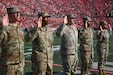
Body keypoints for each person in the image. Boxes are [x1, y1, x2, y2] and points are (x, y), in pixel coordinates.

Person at [0, 6, 25, 75]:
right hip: (8, 65)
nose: (18, 15)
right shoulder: (3, 28)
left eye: (19, 13)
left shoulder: (19, 28)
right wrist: (3, 28)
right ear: (9, 15)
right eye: (16, 13)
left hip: (20, 64)